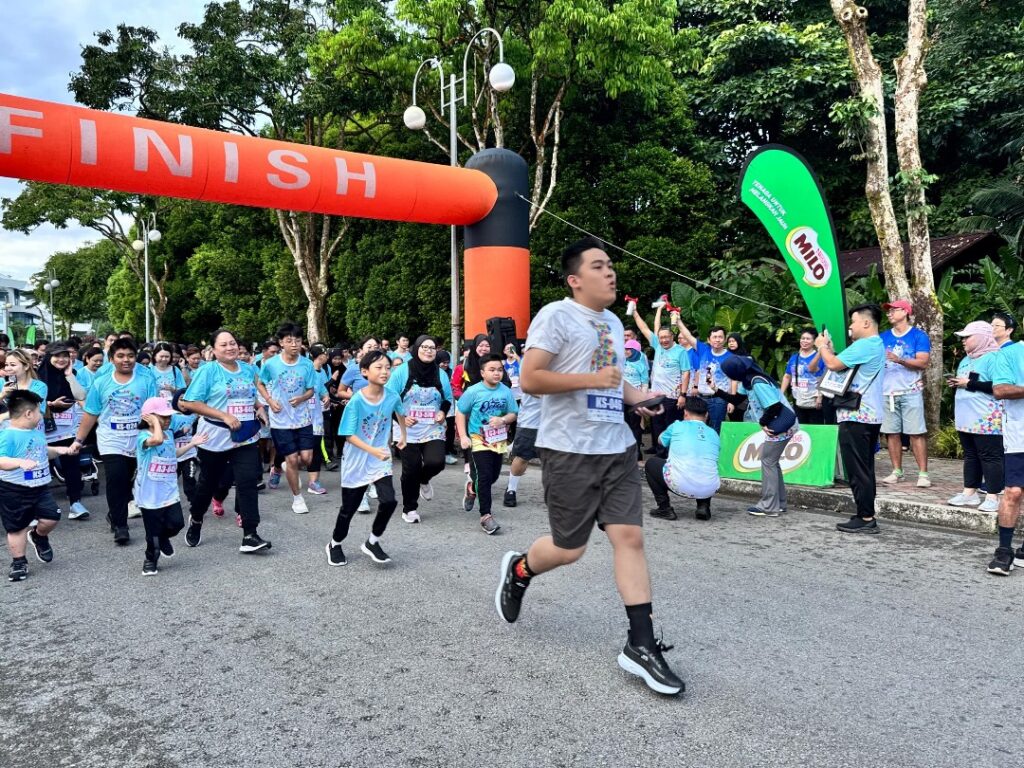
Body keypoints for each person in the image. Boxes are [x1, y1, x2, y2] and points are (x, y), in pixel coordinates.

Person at [494, 237, 684, 697]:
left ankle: (641, 644)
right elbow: (530, 378)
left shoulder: (614, 323)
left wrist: (641, 399)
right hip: (569, 449)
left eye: (611, 265)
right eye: (598, 266)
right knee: (569, 548)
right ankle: (520, 570)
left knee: (630, 537)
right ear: (575, 280)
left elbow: (613, 384)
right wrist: (592, 379)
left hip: (616, 446)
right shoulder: (556, 316)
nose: (610, 272)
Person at [180, 328, 272, 554]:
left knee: (247, 481)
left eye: (232, 343)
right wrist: (223, 416)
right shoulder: (208, 371)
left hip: (245, 436)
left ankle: (250, 534)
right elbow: (190, 402)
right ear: (213, 349)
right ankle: (196, 518)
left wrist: (259, 408)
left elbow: (249, 395)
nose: (230, 347)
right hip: (214, 437)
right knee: (208, 484)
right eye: (223, 344)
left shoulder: (248, 369)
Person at [326, 350, 406, 566]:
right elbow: (348, 435)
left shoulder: (392, 395)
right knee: (348, 509)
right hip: (356, 458)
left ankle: (373, 541)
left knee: (389, 501)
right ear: (364, 372)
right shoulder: (356, 401)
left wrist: (404, 436)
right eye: (378, 367)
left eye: (387, 367)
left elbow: (400, 412)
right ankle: (335, 544)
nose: (385, 372)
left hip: (379, 458)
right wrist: (373, 451)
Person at [74, 338, 157, 545]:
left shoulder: (146, 380)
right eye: (120, 356)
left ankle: (114, 512)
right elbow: (91, 413)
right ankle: (121, 525)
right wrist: (78, 440)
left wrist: (157, 434)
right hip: (110, 439)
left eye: (130, 356)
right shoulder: (101, 382)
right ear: (111, 359)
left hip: (138, 438)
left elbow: (154, 411)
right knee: (116, 478)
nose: (126, 360)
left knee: (129, 480)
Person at [815, 304, 886, 534]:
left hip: (857, 415)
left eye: (853, 322)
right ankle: (865, 513)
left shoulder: (866, 344)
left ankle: (866, 517)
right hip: (868, 414)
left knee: (857, 469)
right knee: (864, 467)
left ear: (866, 322)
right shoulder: (874, 344)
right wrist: (829, 350)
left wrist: (821, 346)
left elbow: (833, 364)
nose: (851, 327)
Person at [0, 390, 79, 581]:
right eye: (38, 411)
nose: (41, 415)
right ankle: (19, 562)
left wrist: (60, 450)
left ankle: (38, 536)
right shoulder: (8, 434)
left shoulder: (36, 432)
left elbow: (42, 451)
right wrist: (19, 462)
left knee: (52, 517)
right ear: (28, 413)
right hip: (15, 488)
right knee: (17, 527)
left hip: (41, 487)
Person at [717, 356, 798, 517]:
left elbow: (774, 406)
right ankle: (779, 503)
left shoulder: (757, 383)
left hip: (780, 426)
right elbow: (737, 399)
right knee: (772, 463)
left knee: (768, 462)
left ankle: (769, 506)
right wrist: (716, 390)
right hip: (779, 425)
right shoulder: (748, 380)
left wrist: (762, 422)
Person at [135, 397, 208, 575]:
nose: (168, 420)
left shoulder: (167, 435)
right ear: (149, 418)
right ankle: (150, 559)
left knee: (177, 523)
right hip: (149, 494)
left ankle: (163, 538)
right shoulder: (143, 437)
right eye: (163, 417)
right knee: (152, 532)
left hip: (168, 491)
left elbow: (173, 454)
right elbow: (157, 440)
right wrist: (154, 423)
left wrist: (192, 443)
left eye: (169, 417)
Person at [386, 335, 452, 524]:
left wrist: (442, 412)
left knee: (436, 462)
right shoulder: (402, 372)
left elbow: (447, 398)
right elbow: (389, 399)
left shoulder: (440, 374)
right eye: (424, 347)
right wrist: (402, 419)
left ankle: (424, 479)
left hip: (432, 427)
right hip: (406, 429)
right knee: (411, 468)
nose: (428, 351)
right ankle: (410, 508)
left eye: (432, 348)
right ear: (416, 349)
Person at [257, 323, 318, 514]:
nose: (294, 344)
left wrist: (301, 398)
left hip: (303, 419)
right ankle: (297, 498)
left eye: (297, 340)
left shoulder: (307, 364)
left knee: (306, 459)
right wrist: (269, 401)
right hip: (280, 420)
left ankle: (284, 465)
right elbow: (260, 383)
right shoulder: (271, 364)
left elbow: (311, 390)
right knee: (292, 459)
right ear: (281, 343)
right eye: (289, 340)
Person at [945, 321, 1004, 515]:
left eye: (967, 337)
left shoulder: (995, 358)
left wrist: (969, 383)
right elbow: (968, 382)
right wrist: (957, 383)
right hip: (966, 418)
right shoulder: (966, 359)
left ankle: (993, 496)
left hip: (986, 419)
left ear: (981, 337)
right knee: (971, 455)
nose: (963, 341)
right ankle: (969, 492)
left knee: (990, 456)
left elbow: (999, 386)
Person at [456, 353, 518, 534]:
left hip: (498, 440)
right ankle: (485, 516)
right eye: (492, 370)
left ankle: (472, 488)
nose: (496, 373)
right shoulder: (473, 391)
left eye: (499, 370)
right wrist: (463, 436)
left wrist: (503, 420)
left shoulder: (505, 391)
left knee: (492, 476)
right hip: (478, 439)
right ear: (482, 372)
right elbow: (460, 412)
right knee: (484, 476)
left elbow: (513, 413)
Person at [879, 300, 932, 487]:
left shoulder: (918, 336)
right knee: (891, 433)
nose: (889, 314)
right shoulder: (883, 337)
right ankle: (897, 471)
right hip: (887, 392)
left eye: (894, 310)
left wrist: (899, 359)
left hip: (911, 391)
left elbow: (923, 362)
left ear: (905, 312)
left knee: (916, 433)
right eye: (888, 311)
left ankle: (923, 474)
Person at [644, 396, 720, 521]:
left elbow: (660, 441)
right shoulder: (714, 433)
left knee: (651, 463)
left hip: (679, 484)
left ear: (685, 413)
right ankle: (703, 506)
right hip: (710, 487)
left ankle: (664, 508)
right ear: (706, 415)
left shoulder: (677, 426)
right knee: (705, 465)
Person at [39, 343, 90, 520]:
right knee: (41, 465)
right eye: (57, 356)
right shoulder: (37, 376)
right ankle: (39, 506)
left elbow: (81, 396)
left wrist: (69, 375)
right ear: (48, 357)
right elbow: (30, 401)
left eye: (65, 356)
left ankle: (75, 503)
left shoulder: (72, 373)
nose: (61, 359)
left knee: (72, 465)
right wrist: (51, 405)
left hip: (68, 428)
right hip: (43, 428)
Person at [633, 307, 690, 456]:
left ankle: (673, 455)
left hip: (673, 397)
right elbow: (644, 328)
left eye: (666, 337)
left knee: (671, 427)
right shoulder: (658, 346)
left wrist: (683, 395)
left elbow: (686, 373)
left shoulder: (680, 351)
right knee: (657, 426)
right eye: (661, 337)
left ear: (672, 336)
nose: (664, 340)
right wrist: (634, 311)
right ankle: (660, 455)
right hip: (656, 396)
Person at [989, 338, 1024, 574]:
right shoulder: (1010, 353)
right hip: (1019, 433)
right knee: (1014, 491)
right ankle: (1004, 551)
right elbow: (1000, 390)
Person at [677, 320, 734, 433]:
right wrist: (678, 320)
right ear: (709, 339)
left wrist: (731, 401)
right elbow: (687, 335)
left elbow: (733, 380)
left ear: (725, 339)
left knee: (715, 429)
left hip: (719, 400)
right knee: (697, 428)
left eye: (720, 337)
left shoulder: (730, 357)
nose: (717, 340)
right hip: (700, 397)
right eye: (714, 337)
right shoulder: (703, 350)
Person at [503, 392, 541, 508]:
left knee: (556, 459)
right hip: (531, 421)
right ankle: (511, 489)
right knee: (522, 457)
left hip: (556, 423)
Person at [781, 328, 825, 425]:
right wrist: (781, 393)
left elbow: (822, 378)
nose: (804, 341)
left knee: (816, 427)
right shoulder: (794, 357)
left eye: (808, 339)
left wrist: (820, 396)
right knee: (800, 426)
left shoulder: (819, 357)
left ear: (814, 342)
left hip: (814, 399)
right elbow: (787, 376)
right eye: (802, 338)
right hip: (798, 398)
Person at [622, 339, 650, 460]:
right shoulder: (622, 361)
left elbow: (645, 384)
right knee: (624, 425)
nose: (626, 351)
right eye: (625, 349)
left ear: (635, 351)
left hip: (635, 400)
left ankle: (637, 453)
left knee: (635, 426)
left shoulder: (641, 365)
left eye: (628, 349)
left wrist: (642, 401)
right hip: (622, 398)